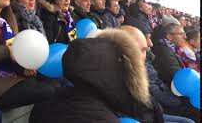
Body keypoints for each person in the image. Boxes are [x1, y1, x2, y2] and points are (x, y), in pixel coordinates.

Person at [30, 28, 164, 123]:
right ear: (121, 62)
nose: (144, 57)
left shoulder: (56, 99)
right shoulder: (98, 114)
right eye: (140, 51)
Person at [119, 26, 195, 123]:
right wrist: (179, 102)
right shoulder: (164, 52)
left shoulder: (144, 62)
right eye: (142, 49)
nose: (150, 43)